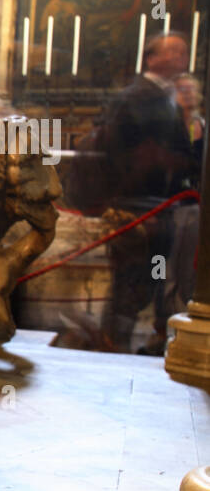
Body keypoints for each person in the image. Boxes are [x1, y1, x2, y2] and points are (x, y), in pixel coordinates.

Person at [101, 32, 199, 353]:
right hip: (139, 208)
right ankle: (113, 345)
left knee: (153, 277)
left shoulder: (163, 96)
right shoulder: (139, 96)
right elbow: (128, 153)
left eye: (183, 53)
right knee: (131, 282)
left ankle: (140, 339)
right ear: (151, 58)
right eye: (173, 52)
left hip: (158, 206)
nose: (180, 59)